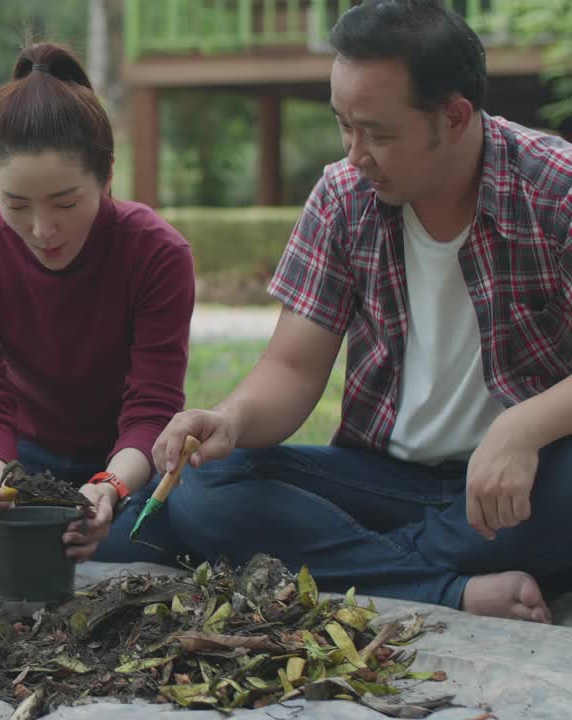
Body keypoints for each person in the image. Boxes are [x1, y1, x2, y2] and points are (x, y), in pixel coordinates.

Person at [154, 0, 572, 624]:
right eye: (344, 127)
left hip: (523, 487)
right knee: (201, 489)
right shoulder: (342, 198)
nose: (355, 154)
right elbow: (292, 369)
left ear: (454, 116)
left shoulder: (555, 191)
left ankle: (364, 570)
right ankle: (447, 589)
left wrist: (523, 428)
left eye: (377, 133)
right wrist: (229, 418)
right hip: (382, 480)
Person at [0, 41, 197, 565]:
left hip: (124, 463)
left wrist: (111, 489)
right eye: (16, 205)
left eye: (66, 202)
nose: (42, 229)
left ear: (107, 175)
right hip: (14, 456)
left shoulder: (157, 253)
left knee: (163, 539)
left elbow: (152, 405)